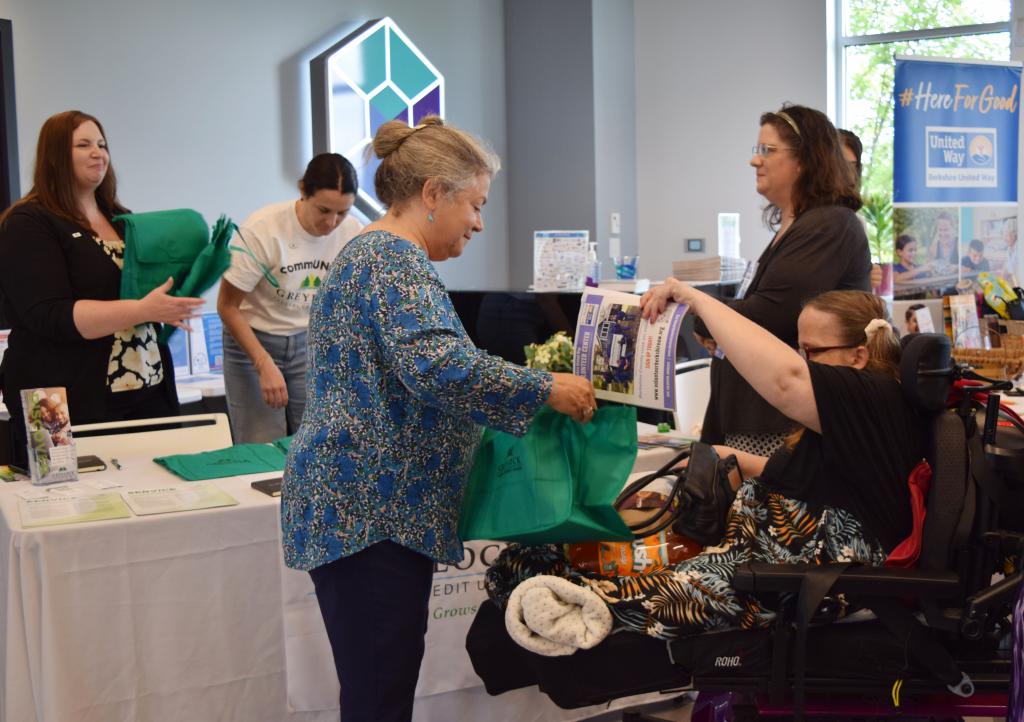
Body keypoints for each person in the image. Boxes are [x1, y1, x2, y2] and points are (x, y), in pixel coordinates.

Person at [280, 116, 595, 722]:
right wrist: (544, 387)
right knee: (379, 693)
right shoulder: (392, 260)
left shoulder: (375, 256)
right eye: (475, 204)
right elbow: (438, 366)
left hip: (368, 510)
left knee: (380, 686)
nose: (479, 222)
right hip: (370, 513)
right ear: (432, 193)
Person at [487, 286, 922, 641]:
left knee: (624, 588)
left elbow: (786, 381)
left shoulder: (874, 400)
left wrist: (693, 298)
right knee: (544, 555)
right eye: (799, 349)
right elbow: (800, 479)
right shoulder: (858, 417)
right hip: (758, 543)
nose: (804, 362)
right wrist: (721, 455)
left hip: (788, 568)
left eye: (813, 351)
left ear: (858, 356)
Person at [0, 110, 203, 467]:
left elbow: (142, 294)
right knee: (63, 507)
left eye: (102, 144)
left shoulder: (122, 220)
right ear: (55, 157)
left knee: (155, 494)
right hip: (55, 397)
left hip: (145, 389)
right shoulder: (28, 222)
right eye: (83, 145)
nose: (99, 153)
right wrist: (144, 309)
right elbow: (50, 314)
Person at [697, 104, 871, 456]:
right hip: (758, 413)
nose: (755, 161)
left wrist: (701, 313)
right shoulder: (801, 225)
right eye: (757, 150)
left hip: (783, 422)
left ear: (804, 160)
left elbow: (772, 313)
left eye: (768, 150)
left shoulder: (829, 225)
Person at [217, 153, 363, 443]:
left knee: (315, 441)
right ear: (302, 191)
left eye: (342, 212)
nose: (332, 222)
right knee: (260, 443)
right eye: (323, 210)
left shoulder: (352, 232)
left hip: (308, 340)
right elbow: (227, 306)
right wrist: (262, 363)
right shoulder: (263, 229)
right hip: (253, 339)